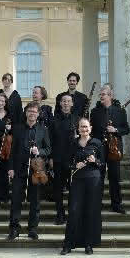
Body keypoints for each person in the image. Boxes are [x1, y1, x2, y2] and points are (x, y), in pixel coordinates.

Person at [7, 101, 51, 241]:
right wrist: (11, 168)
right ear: (26, 113)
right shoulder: (18, 128)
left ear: (38, 114)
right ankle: (14, 228)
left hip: (36, 170)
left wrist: (40, 151)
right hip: (19, 169)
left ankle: (32, 228)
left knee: (35, 201)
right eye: (30, 111)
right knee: (15, 200)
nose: (32, 113)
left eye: (34, 111)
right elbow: (12, 151)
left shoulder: (43, 129)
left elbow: (48, 149)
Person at [60, 117, 104, 255]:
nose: (84, 129)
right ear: (78, 129)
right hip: (78, 179)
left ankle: (88, 244)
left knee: (90, 211)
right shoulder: (73, 143)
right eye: (81, 127)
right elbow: (65, 162)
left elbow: (103, 163)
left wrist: (95, 160)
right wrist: (74, 165)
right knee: (73, 210)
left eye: (86, 127)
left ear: (90, 128)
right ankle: (68, 244)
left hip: (93, 180)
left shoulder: (97, 143)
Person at [90, 84, 130, 214]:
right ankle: (96, 203)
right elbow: (92, 132)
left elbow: (126, 129)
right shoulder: (95, 112)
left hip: (114, 149)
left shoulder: (120, 111)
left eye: (103, 94)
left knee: (114, 177)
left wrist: (116, 130)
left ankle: (116, 204)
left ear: (110, 96)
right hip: (99, 149)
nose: (101, 96)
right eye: (100, 94)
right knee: (98, 177)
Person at [49, 94, 78, 225]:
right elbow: (49, 141)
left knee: (73, 189)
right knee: (58, 189)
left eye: (68, 101)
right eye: (64, 101)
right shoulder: (53, 120)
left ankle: (72, 213)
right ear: (60, 104)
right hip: (58, 159)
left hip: (73, 160)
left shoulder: (77, 119)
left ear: (72, 104)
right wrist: (50, 158)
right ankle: (60, 214)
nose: (66, 103)